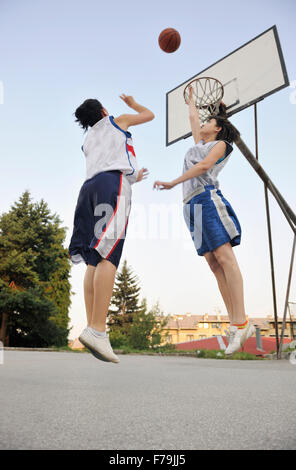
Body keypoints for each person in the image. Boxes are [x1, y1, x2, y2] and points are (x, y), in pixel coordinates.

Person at [153, 87, 255, 355]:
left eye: (208, 122)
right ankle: (237, 324)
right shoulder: (199, 143)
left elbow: (202, 168)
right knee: (212, 263)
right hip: (191, 206)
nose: (202, 124)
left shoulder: (221, 145)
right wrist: (191, 103)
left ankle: (241, 322)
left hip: (208, 200)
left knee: (225, 257)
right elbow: (192, 121)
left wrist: (173, 182)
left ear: (218, 129)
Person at [69, 94, 154, 363]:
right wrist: (133, 104)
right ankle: (97, 329)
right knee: (109, 254)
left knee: (94, 259)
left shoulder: (88, 140)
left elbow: (109, 163)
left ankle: (93, 326)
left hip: (89, 190)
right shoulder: (117, 120)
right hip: (111, 186)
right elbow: (149, 114)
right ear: (104, 111)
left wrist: (133, 177)